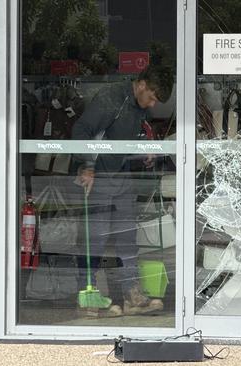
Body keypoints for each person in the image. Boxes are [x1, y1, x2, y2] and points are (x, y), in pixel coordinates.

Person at [72, 64, 173, 317]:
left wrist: (144, 151)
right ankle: (88, 296)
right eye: (151, 97)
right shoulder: (110, 99)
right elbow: (81, 131)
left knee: (127, 240)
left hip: (123, 177)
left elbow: (130, 136)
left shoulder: (140, 108)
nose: (151, 105)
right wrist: (86, 166)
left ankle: (131, 296)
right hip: (99, 177)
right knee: (95, 240)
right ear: (141, 85)